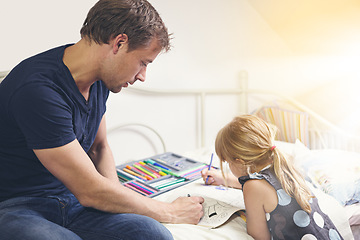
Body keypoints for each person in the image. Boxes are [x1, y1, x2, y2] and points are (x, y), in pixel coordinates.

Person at [0, 0, 204, 239]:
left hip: (73, 202)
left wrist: (117, 199)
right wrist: (169, 211)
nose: (142, 76)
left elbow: (99, 147)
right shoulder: (37, 89)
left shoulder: (99, 81)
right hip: (20, 206)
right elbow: (90, 190)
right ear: (119, 43)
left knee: (152, 234)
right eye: (143, 62)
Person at [201, 115, 343, 240]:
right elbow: (271, 188)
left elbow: (259, 236)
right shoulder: (284, 165)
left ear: (239, 161)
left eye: (227, 162)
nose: (228, 166)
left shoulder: (253, 187)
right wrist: (222, 179)